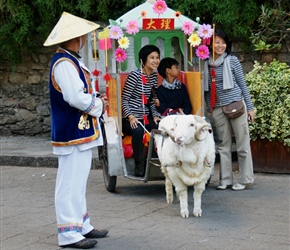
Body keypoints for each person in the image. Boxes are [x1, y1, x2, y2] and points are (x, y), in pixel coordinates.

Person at [44, 12, 109, 249]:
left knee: (78, 181)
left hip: (78, 131)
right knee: (69, 183)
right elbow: (74, 97)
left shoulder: (70, 61)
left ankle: (82, 225)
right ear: (76, 37)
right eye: (83, 35)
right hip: (71, 131)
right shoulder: (64, 63)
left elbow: (79, 94)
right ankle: (69, 234)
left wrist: (93, 99)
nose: (85, 38)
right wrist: (98, 105)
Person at [203, 29, 255, 191]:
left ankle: (245, 179)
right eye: (217, 42)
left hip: (235, 105)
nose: (220, 45)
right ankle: (225, 180)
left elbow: (242, 85)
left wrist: (250, 108)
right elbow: (206, 89)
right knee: (223, 145)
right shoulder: (204, 62)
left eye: (223, 42)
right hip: (217, 108)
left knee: (242, 143)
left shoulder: (232, 61)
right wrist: (209, 108)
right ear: (210, 44)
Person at [122, 45, 162, 177]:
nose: (155, 60)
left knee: (160, 128)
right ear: (143, 60)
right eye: (152, 58)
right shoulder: (134, 76)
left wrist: (155, 115)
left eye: (157, 57)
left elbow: (151, 100)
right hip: (130, 118)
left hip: (145, 117)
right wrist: (131, 117)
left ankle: (157, 162)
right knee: (138, 130)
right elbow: (124, 99)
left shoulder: (154, 77)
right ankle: (139, 166)